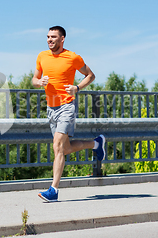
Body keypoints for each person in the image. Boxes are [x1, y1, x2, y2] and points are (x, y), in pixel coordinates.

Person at [32, 26, 106, 202]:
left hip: (66, 106)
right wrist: (39, 82)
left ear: (62, 39)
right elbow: (34, 79)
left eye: (54, 37)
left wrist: (77, 88)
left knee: (57, 146)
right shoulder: (42, 56)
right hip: (51, 109)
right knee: (64, 149)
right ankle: (96, 144)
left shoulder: (72, 57)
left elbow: (90, 75)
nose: (50, 40)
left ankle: (53, 190)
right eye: (48, 37)